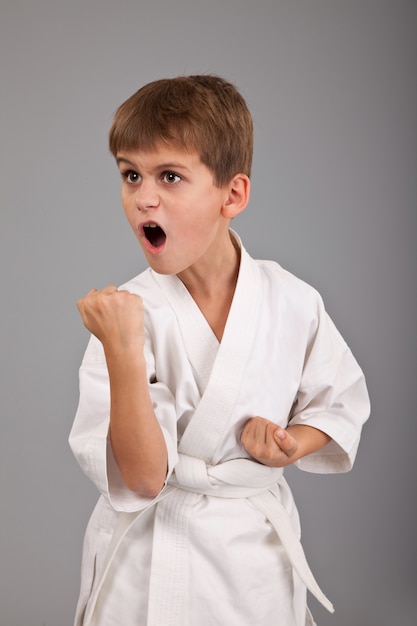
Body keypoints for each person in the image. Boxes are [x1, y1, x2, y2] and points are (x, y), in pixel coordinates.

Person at [69, 75, 370, 626]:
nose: (144, 197)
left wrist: (289, 443)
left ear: (232, 195)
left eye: (170, 176)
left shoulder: (292, 301)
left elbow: (339, 402)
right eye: (131, 174)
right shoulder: (124, 316)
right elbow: (140, 478)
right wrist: (122, 352)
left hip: (250, 556)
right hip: (151, 558)